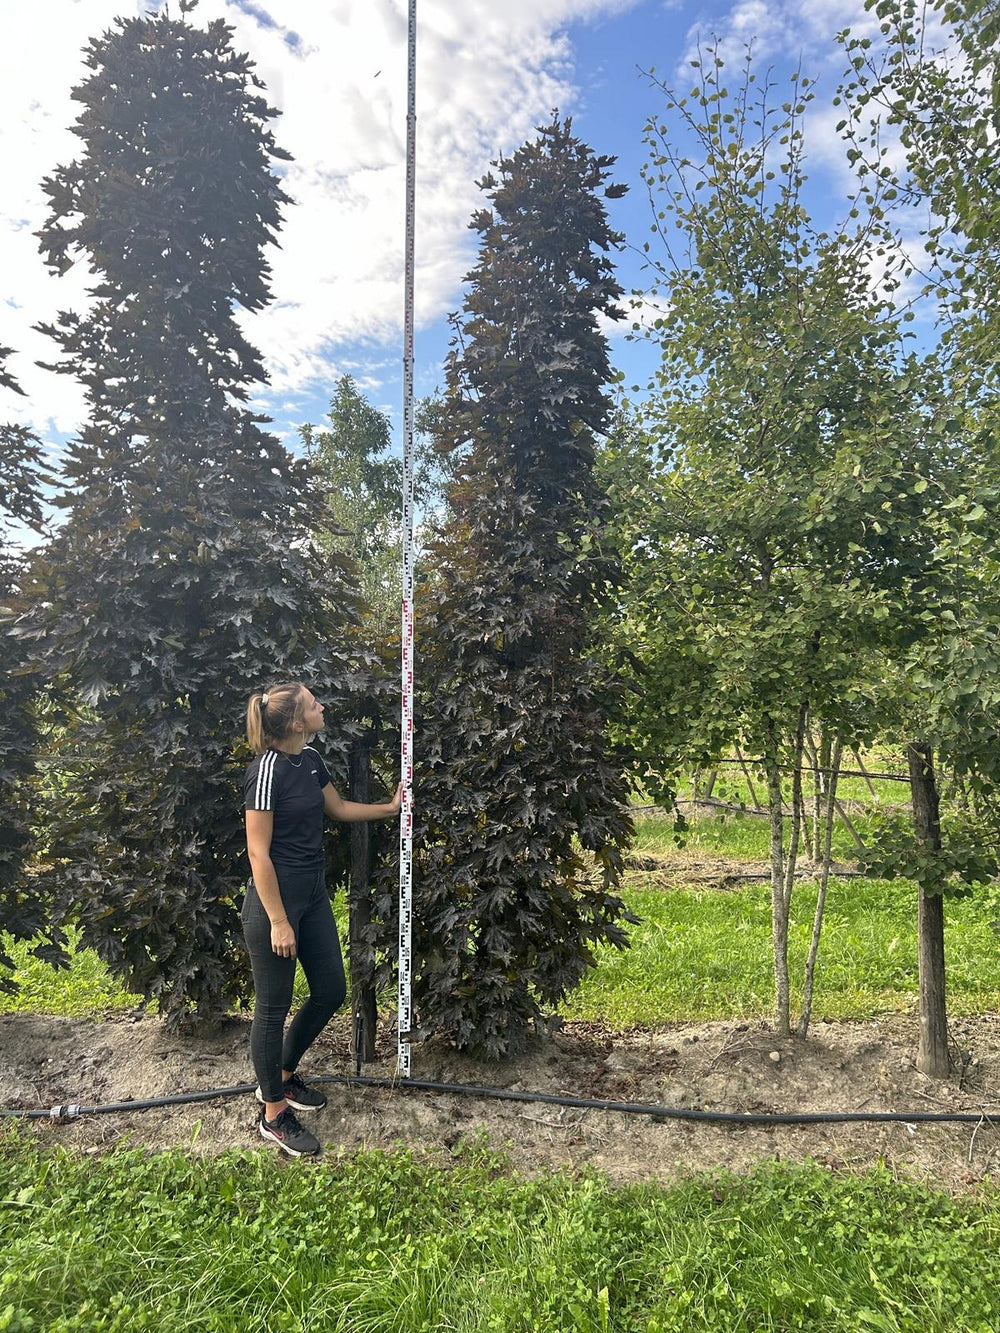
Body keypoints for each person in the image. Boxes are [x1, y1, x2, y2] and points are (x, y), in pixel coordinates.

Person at [243, 681, 402, 1156]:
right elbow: (257, 851)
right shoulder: (266, 771)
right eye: (314, 704)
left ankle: (285, 1076)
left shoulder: (309, 760)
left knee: (331, 989)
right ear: (295, 722)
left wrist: (389, 808)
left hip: (311, 893)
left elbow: (336, 808)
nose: (322, 707)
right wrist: (278, 920)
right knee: (272, 1008)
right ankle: (272, 1111)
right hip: (276, 900)